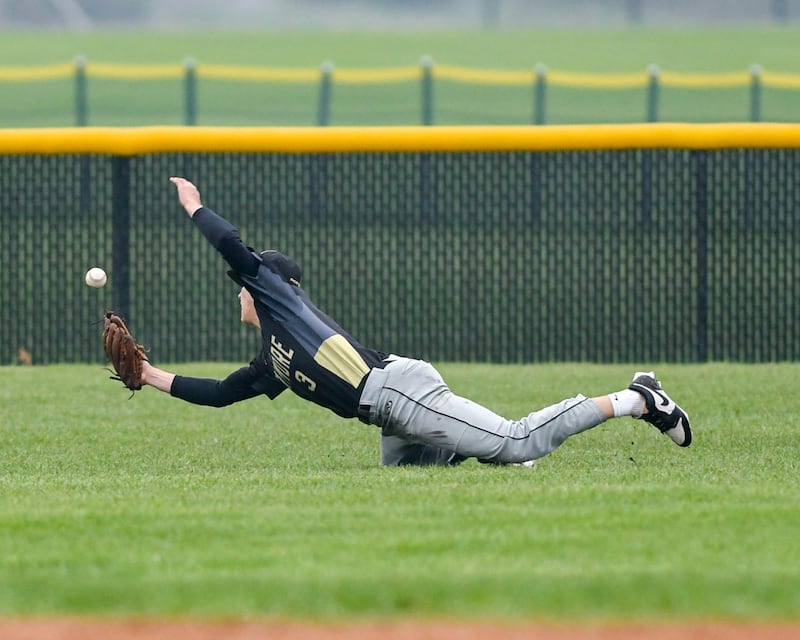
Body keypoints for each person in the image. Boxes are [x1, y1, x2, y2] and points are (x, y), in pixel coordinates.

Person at [140, 177, 692, 467]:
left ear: (274, 286)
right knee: (411, 473)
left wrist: (193, 206)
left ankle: (638, 399)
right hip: (388, 412)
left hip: (397, 393)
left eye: (245, 283)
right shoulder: (272, 358)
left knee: (518, 441)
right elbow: (217, 393)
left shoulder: (282, 302)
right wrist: (149, 375)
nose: (239, 291)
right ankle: (466, 446)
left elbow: (231, 246)